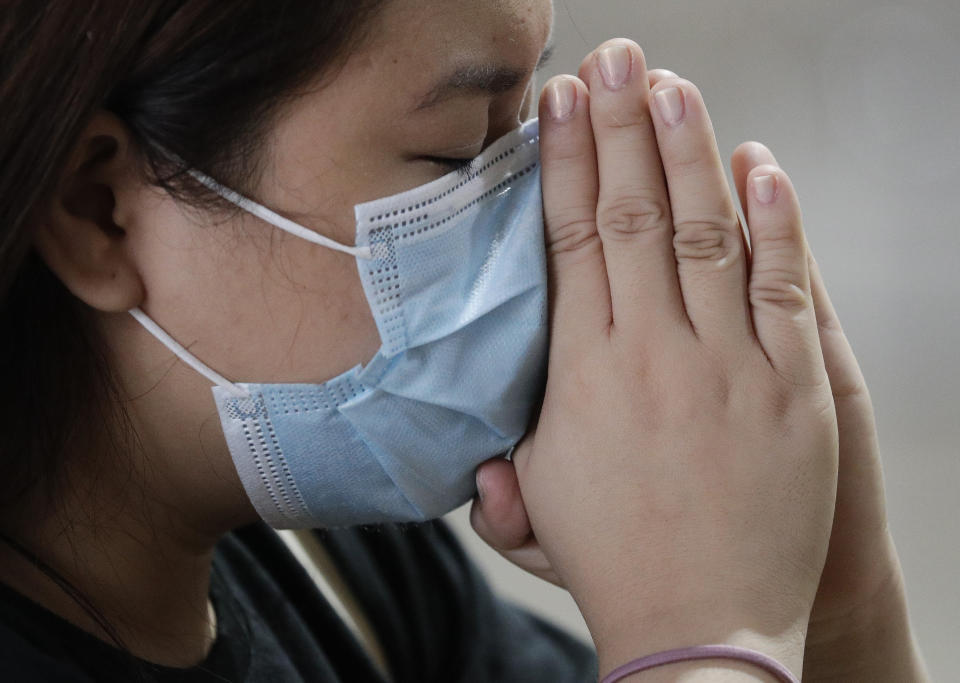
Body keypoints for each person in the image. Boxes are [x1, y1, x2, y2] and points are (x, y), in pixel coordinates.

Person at [0, 1, 929, 681]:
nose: (542, 222)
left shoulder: (341, 571)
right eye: (453, 154)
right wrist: (706, 635)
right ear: (100, 213)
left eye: (523, 130)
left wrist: (834, 602)